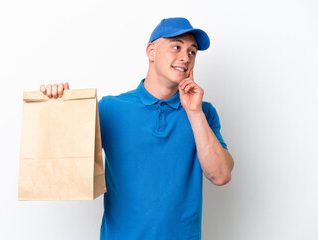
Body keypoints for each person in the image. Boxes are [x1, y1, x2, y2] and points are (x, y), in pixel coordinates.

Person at [40, 17, 234, 240]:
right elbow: (67, 164)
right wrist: (58, 105)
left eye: (192, 52)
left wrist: (194, 113)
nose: (185, 57)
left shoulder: (204, 112)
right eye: (176, 47)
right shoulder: (111, 108)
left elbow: (221, 175)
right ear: (151, 51)